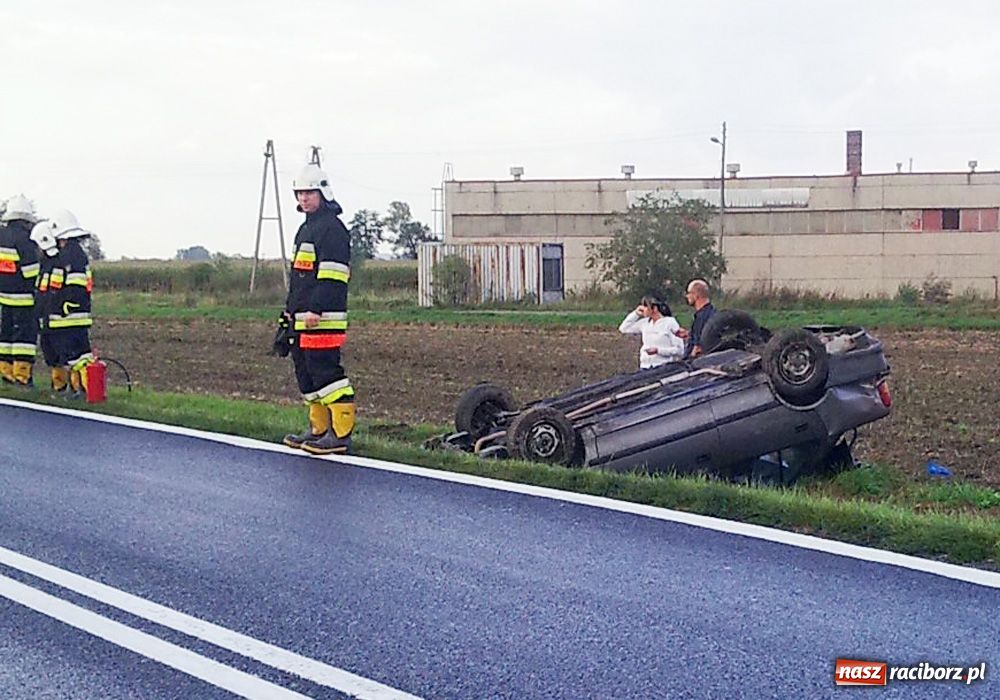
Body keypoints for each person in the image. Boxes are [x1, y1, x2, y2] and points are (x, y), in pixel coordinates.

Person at [281, 164, 355, 455]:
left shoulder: (332, 230)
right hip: (302, 317)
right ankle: (318, 430)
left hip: (323, 317)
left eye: (309, 192)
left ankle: (340, 434)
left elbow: (333, 276)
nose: (304, 198)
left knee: (327, 374)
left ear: (323, 193)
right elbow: (301, 276)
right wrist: (290, 310)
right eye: (299, 193)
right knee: (307, 375)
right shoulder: (307, 228)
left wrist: (316, 308)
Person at [47, 210, 95, 398]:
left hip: (70, 317)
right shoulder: (76, 254)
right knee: (80, 354)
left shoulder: (70, 255)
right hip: (77, 315)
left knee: (75, 355)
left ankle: (82, 390)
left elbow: (74, 286)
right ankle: (82, 389)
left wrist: (65, 305)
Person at [0, 195, 41, 386]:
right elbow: (31, 271)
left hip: (3, 296)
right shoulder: (25, 239)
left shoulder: (1, 236)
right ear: (26, 220)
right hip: (23, 297)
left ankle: (6, 373)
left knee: (5, 335)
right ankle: (22, 376)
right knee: (24, 337)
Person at [30, 219, 68, 392]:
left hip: (54, 317)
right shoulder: (45, 265)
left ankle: (63, 386)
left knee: (60, 350)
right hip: (45, 316)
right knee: (49, 350)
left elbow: (54, 293)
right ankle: (58, 384)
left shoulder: (57, 264)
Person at [618, 293, 685, 369]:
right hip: (645, 367)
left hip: (663, 367)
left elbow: (680, 350)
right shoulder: (645, 323)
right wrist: (636, 314)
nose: (643, 309)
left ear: (655, 308)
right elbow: (624, 328)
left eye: (646, 306)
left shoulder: (670, 323)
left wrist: (658, 351)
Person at [678, 278, 716, 359]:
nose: (687, 296)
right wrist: (688, 334)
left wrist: (689, 359)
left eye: (688, 293)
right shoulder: (711, 313)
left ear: (696, 295)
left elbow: (698, 347)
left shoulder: (702, 317)